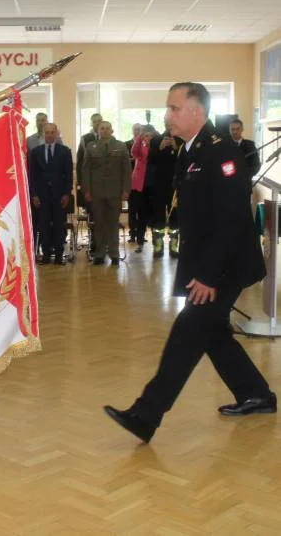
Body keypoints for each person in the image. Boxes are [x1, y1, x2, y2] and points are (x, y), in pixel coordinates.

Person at [104, 82, 276, 443]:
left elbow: (231, 220)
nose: (167, 115)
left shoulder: (221, 152)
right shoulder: (190, 150)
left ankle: (146, 414)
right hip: (208, 261)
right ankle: (256, 394)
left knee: (187, 332)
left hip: (226, 265)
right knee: (211, 333)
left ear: (197, 112)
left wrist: (209, 275)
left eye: (174, 108)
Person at [82, 121, 131, 265]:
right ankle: (100, 254)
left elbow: (126, 171)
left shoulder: (121, 146)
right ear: (97, 131)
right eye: (101, 128)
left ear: (112, 130)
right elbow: (85, 171)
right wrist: (87, 190)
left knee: (113, 223)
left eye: (107, 128)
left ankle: (114, 254)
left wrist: (126, 190)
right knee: (99, 224)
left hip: (115, 192)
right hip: (96, 192)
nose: (104, 131)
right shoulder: (91, 147)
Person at [29, 123, 73, 264]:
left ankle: (59, 255)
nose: (49, 135)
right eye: (46, 132)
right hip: (41, 195)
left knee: (59, 225)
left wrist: (67, 194)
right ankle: (46, 254)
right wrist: (34, 195)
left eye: (52, 132)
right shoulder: (36, 152)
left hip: (59, 195)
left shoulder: (65, 151)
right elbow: (32, 176)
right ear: (43, 134)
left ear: (56, 133)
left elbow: (68, 175)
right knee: (44, 225)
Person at [149, 123, 183, 258]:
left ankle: (174, 246)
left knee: (175, 217)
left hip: (175, 187)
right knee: (158, 217)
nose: (169, 127)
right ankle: (158, 246)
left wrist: (176, 148)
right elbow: (150, 160)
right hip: (158, 186)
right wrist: (159, 148)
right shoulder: (156, 141)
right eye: (167, 124)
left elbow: (186, 161)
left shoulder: (181, 140)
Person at [129, 124, 158, 253]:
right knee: (141, 215)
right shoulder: (140, 146)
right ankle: (140, 241)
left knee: (154, 215)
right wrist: (140, 138)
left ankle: (157, 242)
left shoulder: (156, 147)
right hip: (140, 186)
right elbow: (133, 152)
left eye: (150, 135)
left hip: (153, 185)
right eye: (146, 135)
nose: (148, 137)